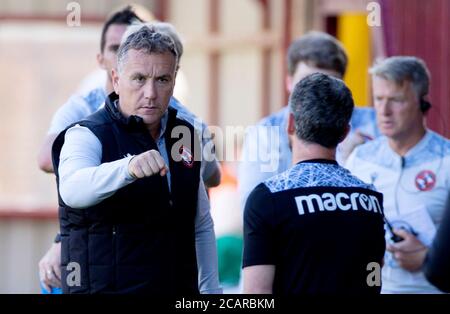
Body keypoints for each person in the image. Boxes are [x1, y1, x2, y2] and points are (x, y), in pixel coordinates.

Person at [38, 7, 221, 293]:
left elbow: (200, 224)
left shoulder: (186, 134)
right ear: (116, 78)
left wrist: (211, 293)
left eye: (162, 80)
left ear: (174, 81)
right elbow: (72, 189)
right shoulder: (85, 132)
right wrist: (128, 168)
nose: (150, 93)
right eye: (138, 79)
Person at [242, 73, 386, 294]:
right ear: (344, 133)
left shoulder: (267, 198)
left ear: (290, 124)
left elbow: (256, 296)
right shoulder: (371, 199)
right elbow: (373, 278)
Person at [238, 31, 379, 212]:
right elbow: (254, 210)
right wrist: (347, 162)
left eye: (329, 83)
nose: (317, 93)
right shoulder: (266, 132)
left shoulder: (374, 123)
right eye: (306, 82)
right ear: (289, 82)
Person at [346, 56, 450, 294]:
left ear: (422, 103)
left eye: (396, 100)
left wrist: (429, 257)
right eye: (379, 99)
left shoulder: (446, 160)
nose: (384, 111)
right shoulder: (360, 159)